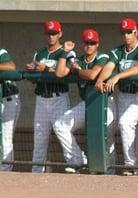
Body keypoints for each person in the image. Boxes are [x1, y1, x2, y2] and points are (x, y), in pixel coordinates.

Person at [95, 18, 138, 176]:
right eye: (124, 33)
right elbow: (109, 67)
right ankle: (132, 170)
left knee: (125, 123)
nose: (127, 36)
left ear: (136, 32)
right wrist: (101, 79)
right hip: (122, 95)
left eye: (130, 32)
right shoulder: (118, 51)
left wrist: (118, 77)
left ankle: (130, 164)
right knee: (123, 128)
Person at [53, 29, 109, 173]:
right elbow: (59, 73)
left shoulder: (102, 57)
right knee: (60, 125)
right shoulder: (77, 60)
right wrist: (65, 53)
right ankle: (77, 160)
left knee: (108, 137)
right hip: (87, 103)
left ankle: (111, 172)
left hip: (106, 103)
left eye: (92, 43)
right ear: (83, 44)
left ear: (97, 44)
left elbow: (92, 75)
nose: (89, 45)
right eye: (87, 43)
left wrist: (77, 71)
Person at [25, 20, 70, 173]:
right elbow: (34, 76)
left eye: (54, 33)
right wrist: (32, 70)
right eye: (49, 33)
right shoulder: (40, 53)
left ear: (60, 34)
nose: (51, 36)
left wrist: (47, 68)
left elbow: (63, 72)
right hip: (42, 98)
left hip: (59, 97)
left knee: (63, 133)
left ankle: (76, 164)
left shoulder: (66, 51)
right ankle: (36, 172)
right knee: (39, 137)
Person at [0, 48, 20, 172]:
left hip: (9, 99)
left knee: (6, 137)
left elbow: (11, 66)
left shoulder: (1, 52)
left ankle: (5, 170)